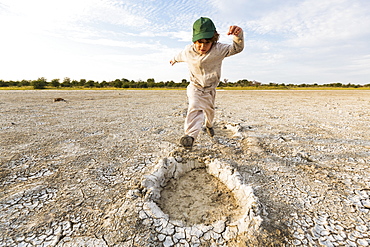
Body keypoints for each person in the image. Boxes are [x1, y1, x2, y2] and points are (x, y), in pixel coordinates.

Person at [170, 17, 244, 149]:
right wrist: (174, 60)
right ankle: (190, 137)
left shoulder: (219, 49)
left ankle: (209, 125)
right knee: (194, 106)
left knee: (210, 112)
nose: (202, 46)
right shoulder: (188, 51)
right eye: (199, 42)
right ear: (194, 40)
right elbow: (179, 55)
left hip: (210, 89)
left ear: (214, 39)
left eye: (207, 42)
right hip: (195, 87)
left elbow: (236, 48)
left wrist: (238, 36)